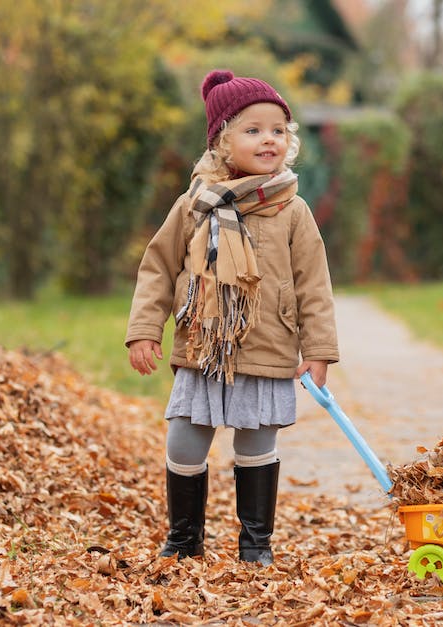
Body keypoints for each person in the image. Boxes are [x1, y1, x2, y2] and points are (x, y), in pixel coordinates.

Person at [125, 69, 339, 566]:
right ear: (223, 143)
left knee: (257, 442)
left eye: (278, 130)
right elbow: (158, 268)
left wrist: (319, 351)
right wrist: (143, 331)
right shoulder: (194, 205)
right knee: (185, 435)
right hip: (204, 346)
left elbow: (314, 285)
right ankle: (184, 538)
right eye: (253, 129)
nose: (269, 139)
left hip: (267, 345)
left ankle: (255, 543)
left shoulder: (292, 210)